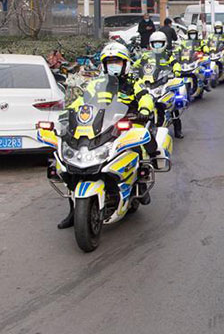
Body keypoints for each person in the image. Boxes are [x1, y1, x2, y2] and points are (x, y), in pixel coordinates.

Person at [57, 42, 157, 229]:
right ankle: (73, 211)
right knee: (73, 162)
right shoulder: (96, 83)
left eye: (117, 62)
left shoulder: (133, 82)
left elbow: (146, 97)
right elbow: (82, 100)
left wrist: (144, 109)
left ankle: (140, 185)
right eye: (110, 62)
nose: (113, 65)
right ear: (103, 65)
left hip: (126, 123)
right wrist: (69, 112)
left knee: (138, 148)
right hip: (100, 126)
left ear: (125, 63)